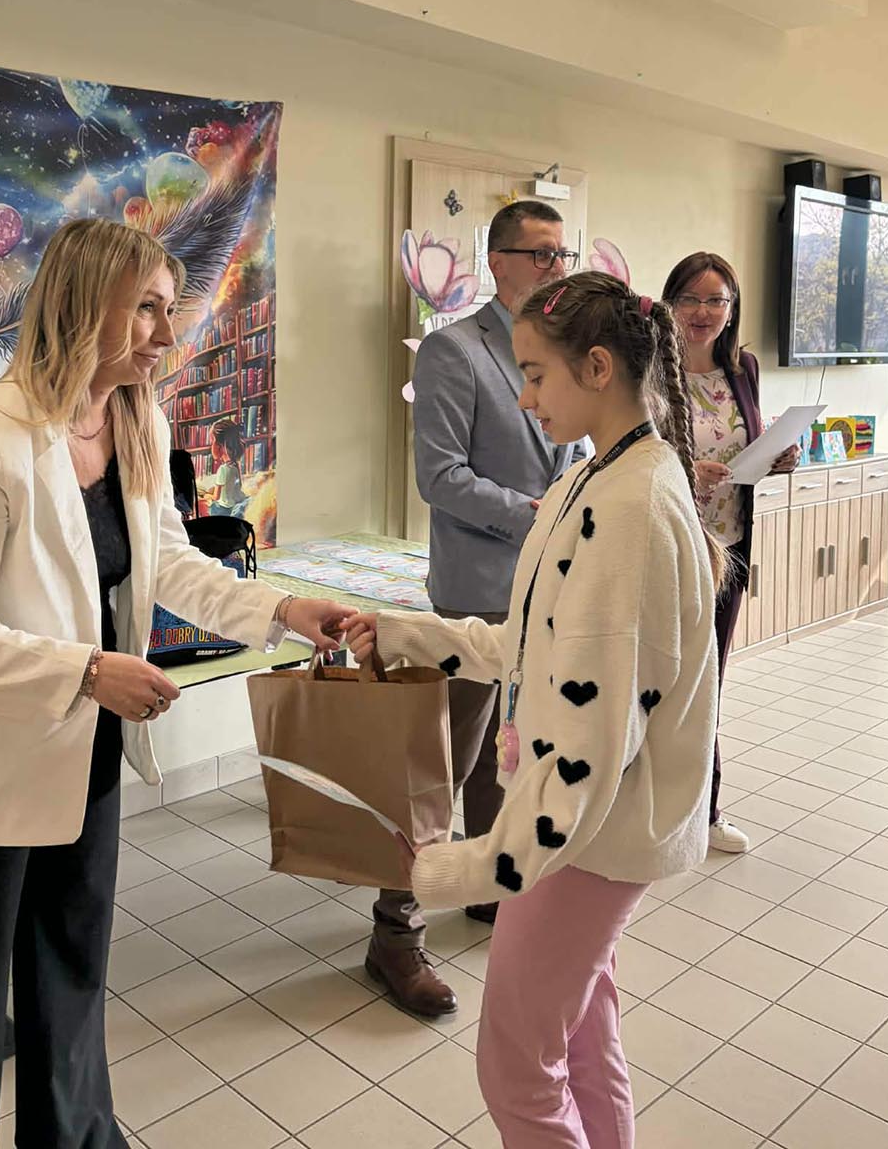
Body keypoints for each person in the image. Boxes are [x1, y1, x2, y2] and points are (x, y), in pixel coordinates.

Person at [0, 218, 355, 1149]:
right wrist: (88, 670)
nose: (167, 335)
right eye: (145, 309)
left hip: (82, 748)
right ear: (80, 304)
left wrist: (282, 609)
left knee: (70, 976)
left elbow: (171, 564)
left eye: (168, 310)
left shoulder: (137, 420)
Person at [347, 271, 721, 1149]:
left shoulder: (630, 509)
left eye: (536, 374)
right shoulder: (597, 477)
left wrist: (453, 871)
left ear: (598, 368)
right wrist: (402, 633)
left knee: (516, 1068)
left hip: (584, 839)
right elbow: (529, 643)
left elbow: (589, 750)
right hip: (583, 829)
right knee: (584, 1038)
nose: (524, 398)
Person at [366, 200, 588, 1020]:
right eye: (541, 255)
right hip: (475, 589)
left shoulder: (558, 353)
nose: (556, 269)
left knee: (513, 753)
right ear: (497, 262)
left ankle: (495, 887)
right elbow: (441, 477)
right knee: (444, 768)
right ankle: (395, 932)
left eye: (562, 255)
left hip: (547, 589)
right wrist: (534, 515)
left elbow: (571, 451)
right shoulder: (455, 351)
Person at [662, 251, 799, 854]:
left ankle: (705, 811)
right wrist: (684, 469)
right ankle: (646, 812)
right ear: (670, 303)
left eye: (716, 300)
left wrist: (776, 457)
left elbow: (749, 441)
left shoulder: (743, 368)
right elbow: (628, 450)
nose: (703, 312)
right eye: (690, 299)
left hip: (729, 549)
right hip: (669, 547)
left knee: (709, 682)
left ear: (731, 307)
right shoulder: (649, 367)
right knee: (662, 682)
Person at [203, 417, 248, 516]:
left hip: (223, 510)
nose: (211, 446)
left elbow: (216, 497)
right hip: (233, 504)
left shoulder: (222, 469)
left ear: (220, 445)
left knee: (204, 505)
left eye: (212, 442)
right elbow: (236, 487)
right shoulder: (235, 465)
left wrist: (206, 496)